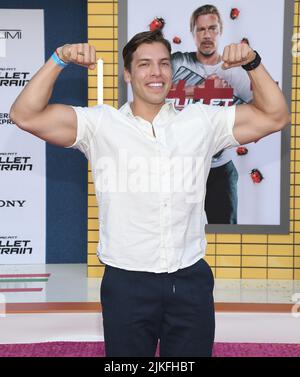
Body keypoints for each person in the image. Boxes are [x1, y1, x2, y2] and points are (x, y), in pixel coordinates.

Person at [10, 30, 290, 357]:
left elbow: (276, 116)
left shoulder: (201, 121)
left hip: (190, 281)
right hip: (126, 284)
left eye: (163, 63)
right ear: (128, 74)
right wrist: (59, 59)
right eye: (144, 64)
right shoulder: (100, 125)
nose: (156, 72)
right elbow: (24, 114)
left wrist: (253, 63)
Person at [171, 4, 253, 224]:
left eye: (212, 28)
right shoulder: (178, 62)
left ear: (220, 31)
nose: (206, 35)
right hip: (182, 168)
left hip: (220, 168)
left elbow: (260, 108)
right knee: (175, 231)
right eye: (201, 29)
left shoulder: (235, 71)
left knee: (226, 233)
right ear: (193, 33)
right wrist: (199, 90)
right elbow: (151, 91)